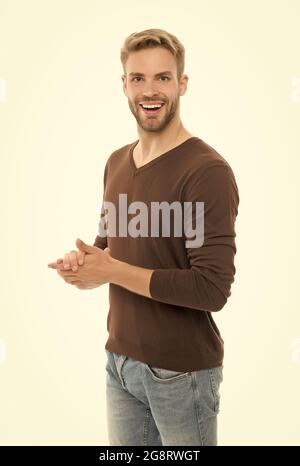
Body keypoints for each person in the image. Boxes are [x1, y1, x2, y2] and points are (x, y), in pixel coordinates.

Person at [48, 28, 239, 446]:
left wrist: (112, 269)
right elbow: (110, 246)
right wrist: (85, 265)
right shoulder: (116, 161)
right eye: (138, 78)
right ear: (124, 85)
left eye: (163, 78)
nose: (149, 91)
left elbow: (212, 288)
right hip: (119, 364)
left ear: (182, 83)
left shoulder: (206, 171)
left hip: (181, 374)